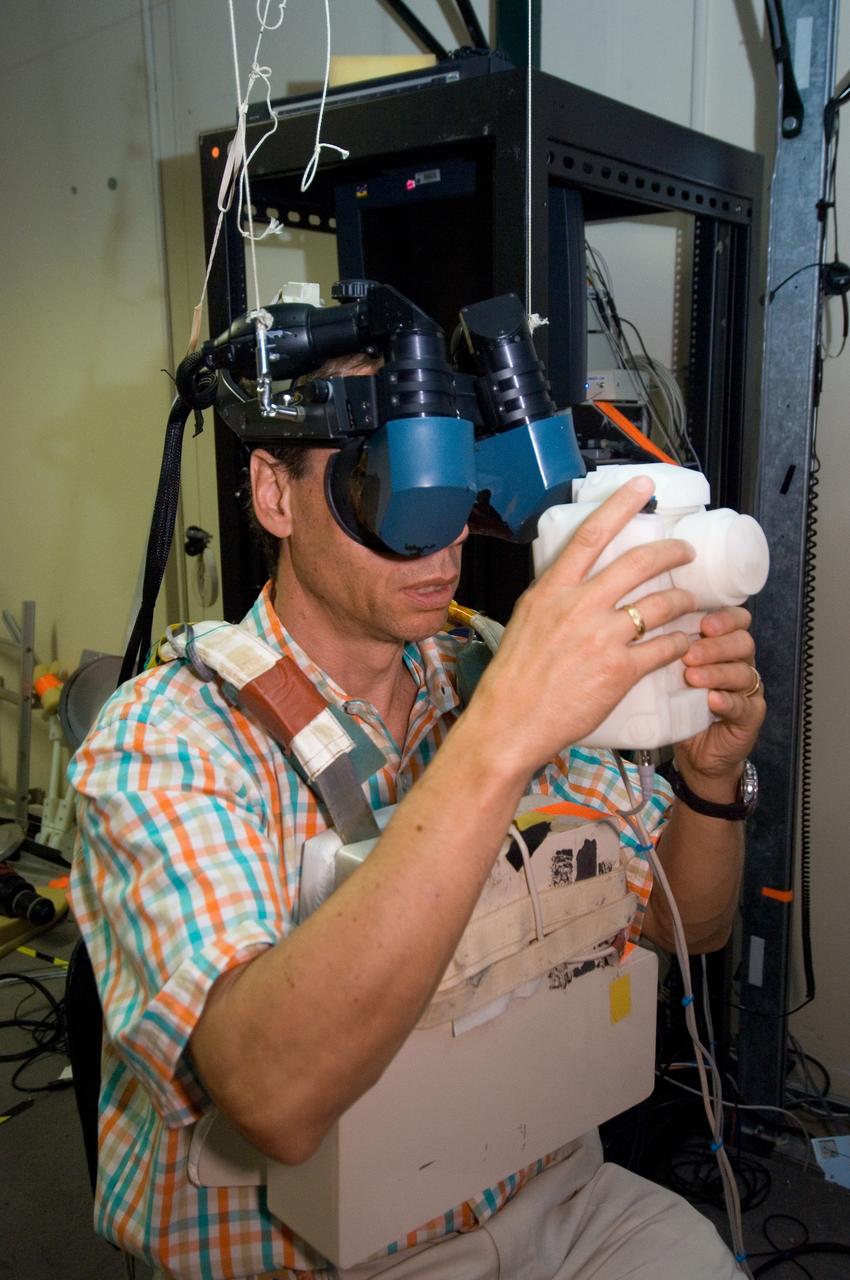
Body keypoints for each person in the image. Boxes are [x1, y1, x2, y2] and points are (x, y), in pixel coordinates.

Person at [69, 380, 766, 1280]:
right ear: (277, 494)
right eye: (392, 488)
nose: (441, 543)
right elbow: (273, 1099)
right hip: (324, 1253)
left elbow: (687, 925)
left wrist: (712, 781)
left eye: (457, 491)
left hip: (552, 1195)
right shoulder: (166, 738)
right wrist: (504, 737)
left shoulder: (488, 669)